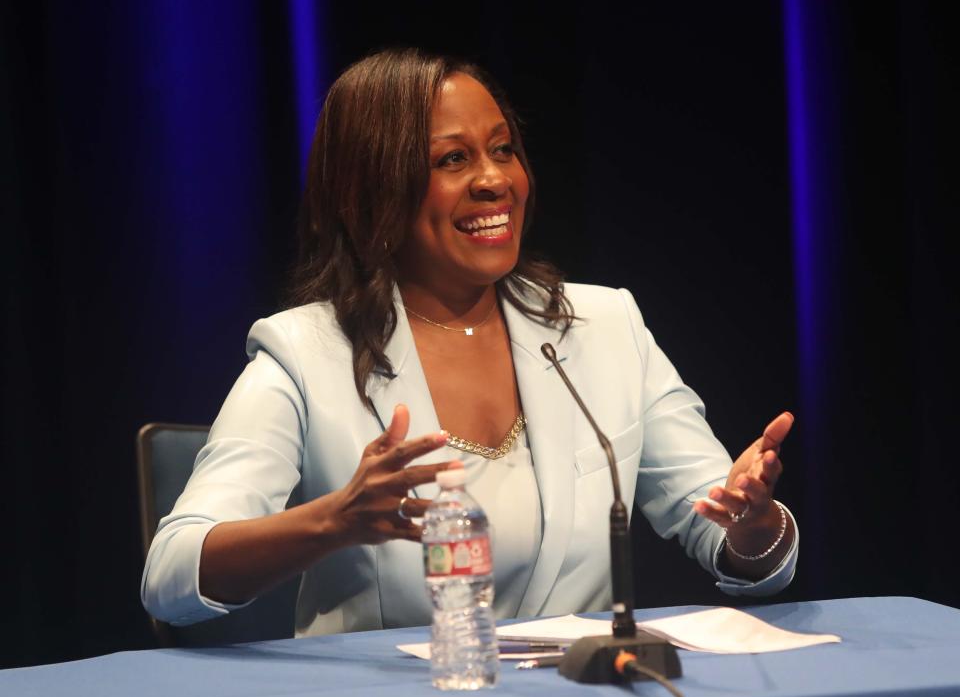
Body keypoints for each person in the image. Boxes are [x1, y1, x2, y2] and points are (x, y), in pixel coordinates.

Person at [141, 48, 798, 636]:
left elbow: (730, 534)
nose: (495, 180)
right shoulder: (306, 353)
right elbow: (171, 577)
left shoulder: (604, 327)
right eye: (454, 159)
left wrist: (754, 526)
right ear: (374, 189)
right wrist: (335, 520)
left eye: (503, 149)